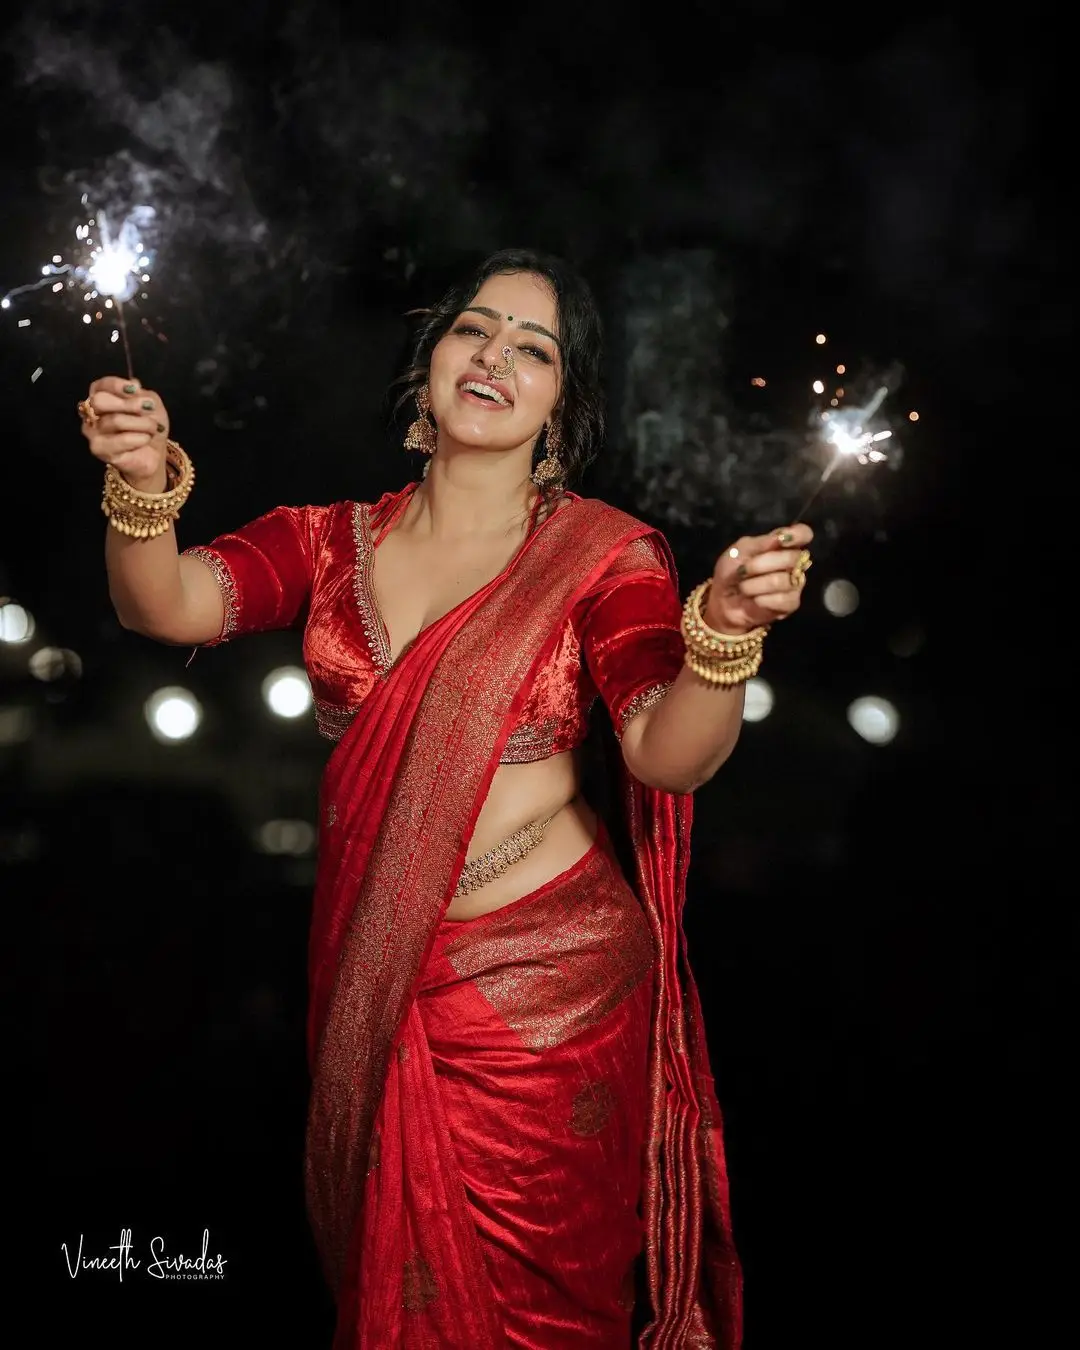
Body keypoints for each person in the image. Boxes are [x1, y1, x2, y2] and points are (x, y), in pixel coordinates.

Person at [79, 247, 813, 1350]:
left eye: (535, 348)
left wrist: (723, 641)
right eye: (473, 331)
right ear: (429, 365)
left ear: (565, 403)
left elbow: (665, 756)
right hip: (385, 976)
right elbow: (168, 606)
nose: (496, 357)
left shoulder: (603, 561)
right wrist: (141, 490)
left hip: (551, 1002)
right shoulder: (331, 544)